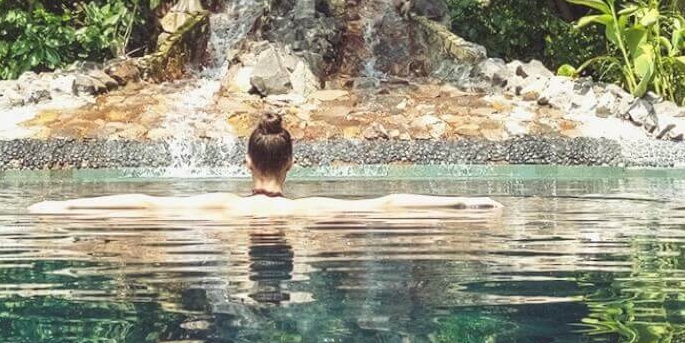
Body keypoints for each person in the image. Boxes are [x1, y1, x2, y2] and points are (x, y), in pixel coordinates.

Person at [30, 113, 502, 217]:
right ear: (291, 163)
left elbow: (144, 203)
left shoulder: (223, 206)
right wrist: (466, 202)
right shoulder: (308, 210)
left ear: (246, 161)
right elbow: (390, 202)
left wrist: (63, 207)